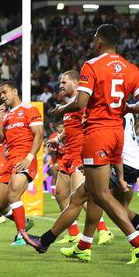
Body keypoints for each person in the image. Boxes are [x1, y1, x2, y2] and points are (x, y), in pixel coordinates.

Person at [44, 24, 139, 264]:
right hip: (117, 133)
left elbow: (81, 102)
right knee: (84, 194)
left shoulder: (92, 65)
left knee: (102, 194)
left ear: (100, 41)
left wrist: (59, 109)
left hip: (98, 132)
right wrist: (128, 107)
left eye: (95, 37)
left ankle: (137, 241)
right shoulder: (131, 68)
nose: (93, 41)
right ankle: (81, 245)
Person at [58, 111, 139, 262]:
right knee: (120, 207)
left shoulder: (114, 112)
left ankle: (88, 242)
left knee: (95, 195)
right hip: (133, 162)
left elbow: (113, 141)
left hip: (123, 163)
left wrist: (96, 164)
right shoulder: (124, 109)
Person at [45, 70, 113, 245]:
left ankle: (104, 231)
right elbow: (70, 128)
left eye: (64, 82)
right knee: (60, 193)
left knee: (80, 197)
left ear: (76, 83)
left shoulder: (83, 104)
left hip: (80, 155)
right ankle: (73, 232)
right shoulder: (70, 105)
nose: (60, 85)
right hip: (67, 154)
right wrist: (58, 138)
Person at [0, 81, 43, 246]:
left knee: (13, 194)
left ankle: (22, 235)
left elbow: (39, 134)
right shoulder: (5, 115)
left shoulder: (29, 110)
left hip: (24, 158)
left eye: (4, 92)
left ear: (14, 91)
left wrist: (29, 158)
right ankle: (23, 222)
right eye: (0, 93)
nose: (2, 96)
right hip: (9, 160)